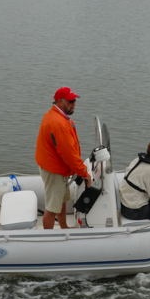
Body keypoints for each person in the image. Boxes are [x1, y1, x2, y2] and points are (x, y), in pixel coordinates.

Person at [35, 86, 91, 229]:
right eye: (71, 101)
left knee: (61, 201)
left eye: (74, 101)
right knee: (52, 208)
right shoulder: (58, 123)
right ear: (60, 101)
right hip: (54, 171)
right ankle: (49, 237)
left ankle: (64, 227)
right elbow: (69, 155)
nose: (74, 104)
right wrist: (85, 174)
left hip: (56, 168)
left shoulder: (56, 117)